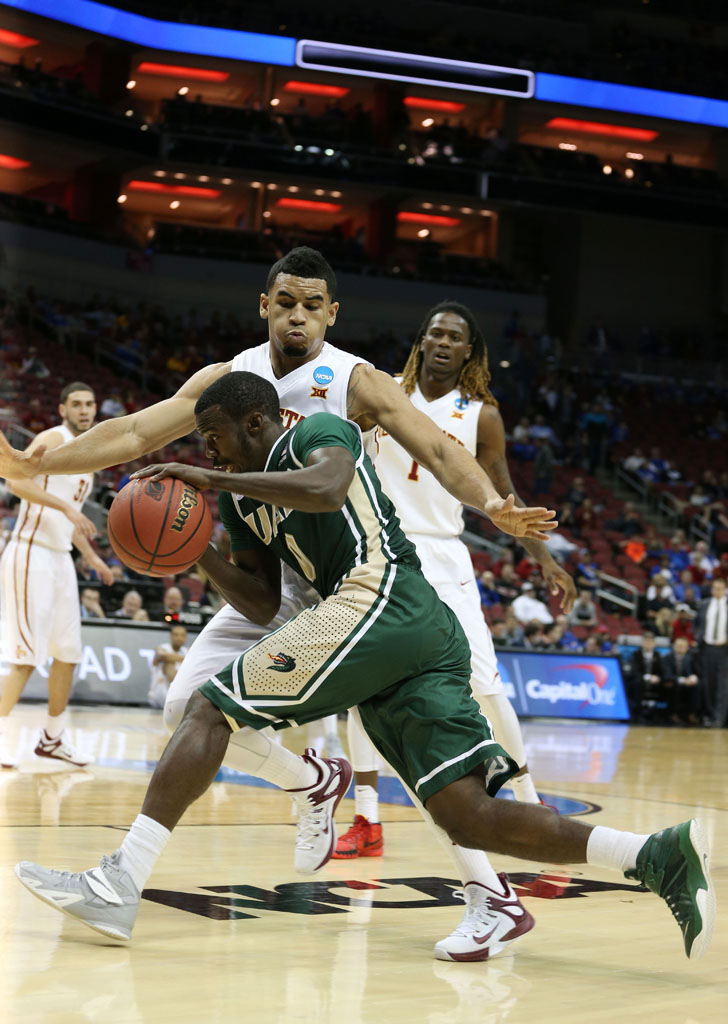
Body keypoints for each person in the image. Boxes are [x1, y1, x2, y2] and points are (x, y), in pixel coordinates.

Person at [14, 373, 715, 962]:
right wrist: (193, 547)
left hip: (384, 598)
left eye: (214, 436)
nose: (208, 450)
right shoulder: (238, 500)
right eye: (204, 445)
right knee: (467, 815)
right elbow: (260, 603)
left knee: (210, 705)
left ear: (255, 421)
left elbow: (323, 488)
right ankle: (654, 856)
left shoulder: (319, 432)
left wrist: (205, 474)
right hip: (399, 640)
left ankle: (120, 882)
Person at [0, 247, 568, 958]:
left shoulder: (352, 380)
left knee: (402, 739)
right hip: (267, 574)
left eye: (313, 304)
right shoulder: (230, 377)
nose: (298, 314)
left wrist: (492, 504)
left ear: (332, 313)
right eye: (286, 301)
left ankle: (487, 891)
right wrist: (35, 463)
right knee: (185, 709)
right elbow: (139, 432)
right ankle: (312, 782)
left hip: (348, 582)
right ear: (264, 305)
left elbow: (439, 446)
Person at [333, 303, 575, 917]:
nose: (443, 342)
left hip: (444, 558)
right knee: (363, 691)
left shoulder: (481, 414)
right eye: (434, 332)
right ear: (421, 341)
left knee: (487, 691)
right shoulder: (380, 395)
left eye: (456, 337)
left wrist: (543, 558)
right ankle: (366, 820)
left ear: (471, 351)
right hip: (381, 554)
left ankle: (539, 821)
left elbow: (501, 490)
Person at [0, 382, 113, 769]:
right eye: (77, 405)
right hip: (29, 552)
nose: (84, 410)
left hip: (61, 557)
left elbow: (71, 521)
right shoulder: (53, 437)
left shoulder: (90, 457)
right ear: (63, 409)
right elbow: (15, 480)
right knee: (26, 657)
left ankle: (52, 738)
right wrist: (65, 508)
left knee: (68, 654)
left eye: (90, 404)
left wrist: (92, 557)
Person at [694, 578, 728, 728]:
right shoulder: (705, 604)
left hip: (724, 650)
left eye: (720, 588)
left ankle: (720, 718)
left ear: (725, 589)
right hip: (707, 649)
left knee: (723, 685)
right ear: (712, 589)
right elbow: (696, 623)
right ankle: (710, 715)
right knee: (709, 683)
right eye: (715, 588)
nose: (717, 591)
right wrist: (697, 637)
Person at [661, 637, 701, 726]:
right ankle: (673, 714)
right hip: (672, 683)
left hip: (687, 684)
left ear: (687, 648)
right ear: (674, 646)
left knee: (697, 686)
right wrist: (682, 680)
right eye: (678, 646)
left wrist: (693, 678)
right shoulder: (666, 658)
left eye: (683, 646)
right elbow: (666, 675)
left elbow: (696, 672)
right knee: (673, 686)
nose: (680, 648)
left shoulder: (691, 659)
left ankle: (691, 714)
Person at [149, 624, 188, 710]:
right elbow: (164, 657)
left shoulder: (186, 651)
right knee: (168, 663)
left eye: (182, 635)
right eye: (176, 635)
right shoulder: (162, 648)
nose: (179, 638)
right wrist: (186, 658)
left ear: (186, 638)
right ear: (170, 636)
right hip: (159, 695)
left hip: (177, 697)